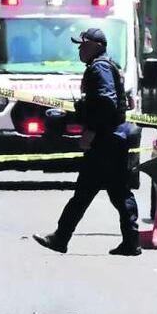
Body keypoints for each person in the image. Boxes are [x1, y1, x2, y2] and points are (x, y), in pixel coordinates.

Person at [33, 28, 141, 256]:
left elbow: (106, 102)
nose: (79, 49)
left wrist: (91, 129)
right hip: (113, 139)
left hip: (104, 141)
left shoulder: (100, 67)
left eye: (84, 44)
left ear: (97, 46)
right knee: (118, 192)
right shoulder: (106, 65)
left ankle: (60, 238)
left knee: (85, 193)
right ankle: (131, 242)